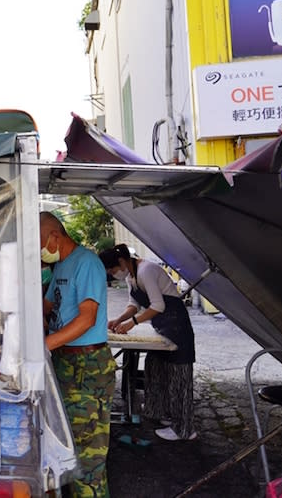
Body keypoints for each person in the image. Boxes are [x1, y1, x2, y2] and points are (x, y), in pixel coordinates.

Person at [40, 212, 116, 498]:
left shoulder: (87, 263)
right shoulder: (60, 266)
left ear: (54, 236)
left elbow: (87, 319)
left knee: (88, 456)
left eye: (39, 243)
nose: (40, 252)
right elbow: (47, 307)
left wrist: (44, 344)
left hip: (89, 366)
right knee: (64, 446)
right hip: (65, 361)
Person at [99, 244, 197, 441]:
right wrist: (119, 320)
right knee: (155, 367)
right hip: (162, 328)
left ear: (121, 262)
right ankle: (162, 412)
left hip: (177, 328)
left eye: (112, 269)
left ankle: (184, 429)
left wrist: (132, 323)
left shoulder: (147, 270)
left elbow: (158, 305)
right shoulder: (131, 276)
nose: (112, 273)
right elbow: (133, 305)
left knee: (179, 378)